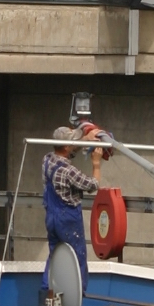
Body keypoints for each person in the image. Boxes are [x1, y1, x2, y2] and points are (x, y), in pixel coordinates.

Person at [42, 123, 104, 296]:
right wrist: (96, 163)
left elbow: (68, 151)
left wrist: (84, 140)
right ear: (67, 146)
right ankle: (77, 302)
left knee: (54, 257)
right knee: (77, 259)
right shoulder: (68, 171)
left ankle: (46, 304)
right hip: (67, 219)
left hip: (51, 217)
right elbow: (93, 185)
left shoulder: (47, 160)